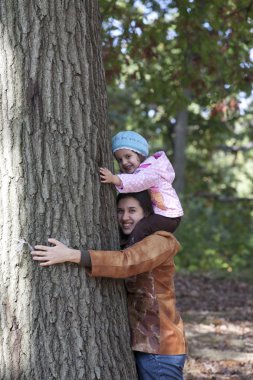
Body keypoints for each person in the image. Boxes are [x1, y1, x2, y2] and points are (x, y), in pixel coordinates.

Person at [32, 191, 187, 379]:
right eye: (119, 211)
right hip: (144, 343)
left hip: (160, 346)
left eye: (132, 211)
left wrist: (71, 255)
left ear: (147, 215)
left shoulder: (160, 241)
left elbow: (126, 262)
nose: (125, 217)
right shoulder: (129, 241)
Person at [99, 131, 183, 245]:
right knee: (138, 230)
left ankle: (130, 252)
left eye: (128, 156)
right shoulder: (144, 170)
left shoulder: (150, 171)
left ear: (140, 155)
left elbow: (137, 181)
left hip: (167, 216)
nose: (124, 162)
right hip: (164, 216)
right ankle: (125, 245)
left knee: (141, 229)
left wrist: (114, 179)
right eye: (119, 160)